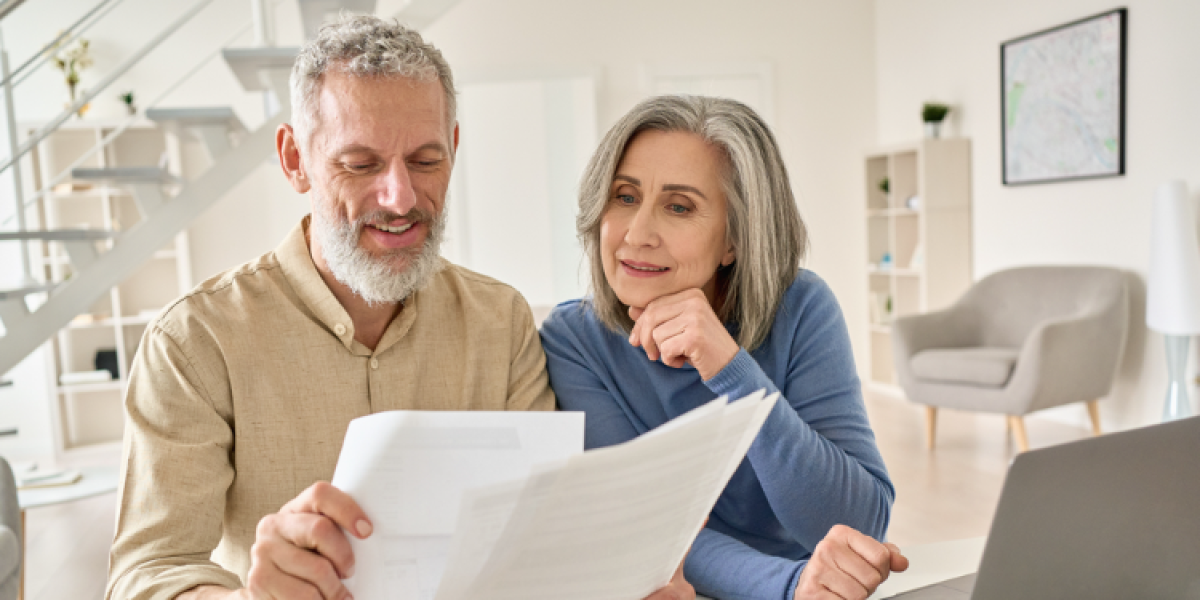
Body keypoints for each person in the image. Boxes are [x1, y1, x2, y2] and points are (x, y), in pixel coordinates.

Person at [106, 16, 695, 600]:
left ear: (455, 149)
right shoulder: (195, 340)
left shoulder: (501, 321)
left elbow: (541, 540)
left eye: (425, 160)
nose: (401, 198)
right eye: (360, 164)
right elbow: (146, 576)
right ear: (294, 159)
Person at [540, 95, 908, 600]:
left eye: (678, 207)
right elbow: (642, 527)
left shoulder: (801, 306)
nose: (638, 233)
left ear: (734, 238)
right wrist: (787, 585)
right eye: (624, 197)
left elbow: (860, 521)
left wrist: (733, 370)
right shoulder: (573, 340)